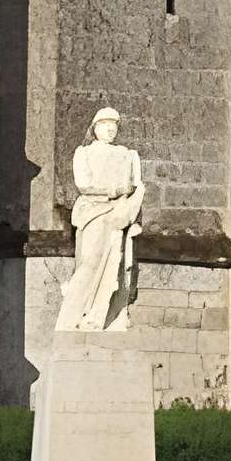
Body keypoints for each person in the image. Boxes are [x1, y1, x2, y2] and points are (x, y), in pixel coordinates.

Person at [53, 106, 145, 334]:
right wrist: (115, 190)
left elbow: (136, 187)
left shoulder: (127, 154)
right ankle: (74, 315)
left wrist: (134, 218)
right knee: (89, 263)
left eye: (114, 125)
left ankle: (104, 316)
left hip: (120, 216)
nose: (110, 129)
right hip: (94, 213)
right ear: (95, 128)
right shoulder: (84, 153)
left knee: (116, 267)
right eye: (105, 124)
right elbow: (84, 184)